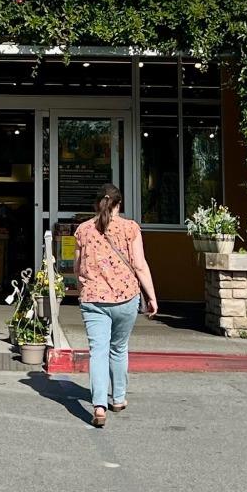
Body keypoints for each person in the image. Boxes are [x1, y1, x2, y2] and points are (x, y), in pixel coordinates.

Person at [73, 183, 158, 428]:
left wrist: (82, 290)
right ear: (119, 204)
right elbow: (139, 265)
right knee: (119, 348)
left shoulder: (83, 230)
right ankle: (118, 398)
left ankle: (99, 406)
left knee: (98, 351)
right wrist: (152, 296)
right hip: (126, 299)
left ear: (96, 203)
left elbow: (77, 268)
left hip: (93, 300)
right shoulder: (131, 228)